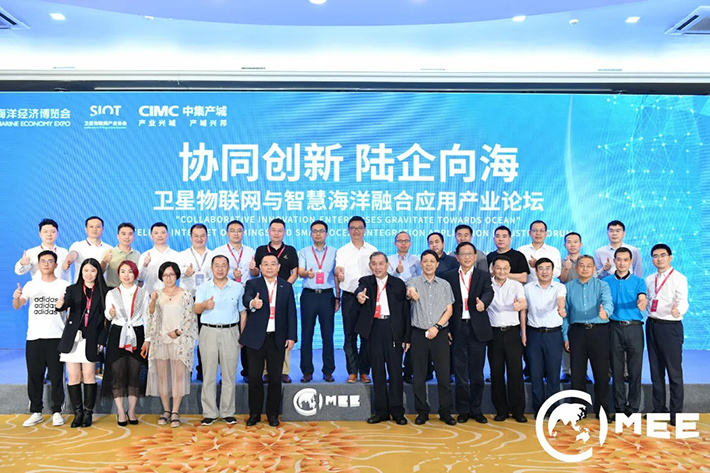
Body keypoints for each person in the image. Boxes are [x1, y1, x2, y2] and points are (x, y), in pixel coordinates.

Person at [12, 250, 70, 427]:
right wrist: (16, 298)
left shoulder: (64, 285)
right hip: (34, 337)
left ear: (56, 265)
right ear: (38, 265)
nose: (46, 264)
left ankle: (57, 411)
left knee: (57, 375)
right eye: (43, 261)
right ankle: (36, 411)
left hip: (56, 337)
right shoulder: (31, 285)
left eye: (50, 261)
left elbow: (70, 311)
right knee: (34, 375)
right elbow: (18, 305)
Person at [355, 252, 411, 425]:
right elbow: (359, 290)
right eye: (374, 264)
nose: (377, 267)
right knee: (377, 371)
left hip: (393, 329)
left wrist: (406, 337)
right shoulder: (366, 282)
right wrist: (359, 295)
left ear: (387, 265)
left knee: (395, 372)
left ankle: (397, 411)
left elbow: (405, 312)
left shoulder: (398, 284)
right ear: (370, 266)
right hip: (374, 329)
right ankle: (381, 411)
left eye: (381, 263)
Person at [242, 254, 297, 427]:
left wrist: (291, 336)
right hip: (256, 339)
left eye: (273, 264)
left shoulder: (286, 286)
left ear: (279, 267)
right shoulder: (253, 284)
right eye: (265, 264)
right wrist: (252, 303)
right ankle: (255, 414)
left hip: (277, 339)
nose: (269, 267)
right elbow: (246, 299)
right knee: (254, 377)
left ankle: (273, 414)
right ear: (260, 267)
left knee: (275, 378)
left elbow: (291, 313)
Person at [443, 242, 493, 424]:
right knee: (460, 373)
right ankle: (463, 409)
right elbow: (445, 303)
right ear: (457, 257)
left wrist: (483, 303)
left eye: (470, 254)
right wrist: (446, 328)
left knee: (477, 373)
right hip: (457, 328)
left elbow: (489, 292)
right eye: (463, 254)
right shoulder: (448, 276)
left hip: (477, 327)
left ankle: (476, 409)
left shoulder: (483, 275)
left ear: (475, 256)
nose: (466, 257)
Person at [56, 258, 109, 428]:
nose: (89, 274)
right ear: (81, 272)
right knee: (73, 377)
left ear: (98, 272)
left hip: (92, 339)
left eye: (93, 270)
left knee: (89, 376)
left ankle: (88, 413)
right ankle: (77, 413)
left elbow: (107, 320)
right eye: (86, 270)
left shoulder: (105, 291)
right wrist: (60, 305)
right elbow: (66, 304)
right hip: (73, 339)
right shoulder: (72, 289)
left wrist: (101, 341)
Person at [194, 255, 246, 426]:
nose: (220, 269)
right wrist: (205, 305)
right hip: (208, 331)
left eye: (223, 265)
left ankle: (227, 412)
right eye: (217, 265)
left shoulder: (238, 287)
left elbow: (243, 312)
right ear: (211, 268)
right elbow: (196, 309)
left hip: (231, 331)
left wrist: (242, 335)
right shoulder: (203, 287)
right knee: (209, 374)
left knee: (229, 375)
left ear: (228, 268)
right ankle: (209, 413)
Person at [407, 250, 456, 426]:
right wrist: (412, 293)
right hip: (418, 334)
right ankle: (422, 411)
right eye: (425, 261)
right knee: (419, 375)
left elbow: (449, 310)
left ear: (437, 264)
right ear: (421, 263)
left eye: (432, 261)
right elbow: (410, 291)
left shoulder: (444, 285)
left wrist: (437, 327)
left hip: (439, 334)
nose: (428, 264)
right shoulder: (413, 281)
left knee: (443, 375)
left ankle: (445, 411)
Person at [146, 262, 197, 428]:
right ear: (161, 277)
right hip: (161, 340)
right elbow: (150, 314)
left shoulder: (186, 294)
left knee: (178, 377)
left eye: (172, 274)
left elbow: (190, 318)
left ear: (177, 275)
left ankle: (175, 411)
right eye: (165, 275)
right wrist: (153, 300)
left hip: (179, 341)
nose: (168, 278)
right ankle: (166, 410)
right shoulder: (157, 294)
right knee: (163, 378)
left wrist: (179, 332)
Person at [563, 255, 613, 419]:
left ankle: (602, 410)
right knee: (577, 374)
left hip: (599, 332)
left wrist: (606, 312)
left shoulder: (602, 285)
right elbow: (565, 314)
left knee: (601, 372)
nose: (585, 269)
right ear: (576, 268)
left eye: (589, 266)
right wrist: (565, 336)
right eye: (582, 265)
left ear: (593, 269)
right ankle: (579, 410)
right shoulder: (568, 287)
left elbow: (608, 302)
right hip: (577, 332)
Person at [645, 243, 689, 426]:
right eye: (655, 256)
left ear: (670, 257)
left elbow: (683, 301)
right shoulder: (649, 279)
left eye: (663, 255)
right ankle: (659, 409)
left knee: (674, 372)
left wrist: (679, 310)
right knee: (656, 371)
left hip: (671, 327)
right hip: (652, 325)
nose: (659, 259)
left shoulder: (679, 278)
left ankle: (676, 412)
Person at [103, 260, 150, 426]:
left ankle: (131, 411)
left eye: (130, 271)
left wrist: (148, 340)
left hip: (137, 333)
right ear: (118, 274)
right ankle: (121, 412)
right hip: (117, 334)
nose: (126, 275)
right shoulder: (112, 293)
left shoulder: (143, 293)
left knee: (134, 375)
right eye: (123, 271)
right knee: (118, 374)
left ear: (135, 274)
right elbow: (107, 315)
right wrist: (110, 313)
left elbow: (148, 317)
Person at [252, 218, 298, 383]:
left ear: (284, 232)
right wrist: (252, 268)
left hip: (283, 295)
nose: (276, 233)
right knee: (265, 332)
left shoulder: (290, 250)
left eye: (280, 230)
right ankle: (266, 371)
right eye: (273, 230)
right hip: (265, 294)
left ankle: (284, 371)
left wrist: (284, 288)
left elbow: (295, 272)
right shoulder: (261, 250)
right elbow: (256, 272)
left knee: (283, 330)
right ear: (268, 231)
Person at [603, 247, 647, 417]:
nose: (622, 263)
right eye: (619, 260)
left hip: (634, 328)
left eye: (625, 260)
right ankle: (619, 407)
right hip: (613, 328)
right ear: (614, 261)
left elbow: (642, 297)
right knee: (616, 369)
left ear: (631, 262)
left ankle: (633, 407)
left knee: (635, 370)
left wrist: (642, 301)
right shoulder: (606, 281)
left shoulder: (639, 281)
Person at [335, 216, 377, 384]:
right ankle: (352, 371)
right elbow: (338, 268)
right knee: (349, 336)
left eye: (359, 228)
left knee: (367, 336)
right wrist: (339, 273)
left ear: (365, 230)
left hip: (368, 297)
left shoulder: (372, 250)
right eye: (353, 228)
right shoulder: (342, 251)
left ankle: (365, 371)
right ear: (348, 231)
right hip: (350, 297)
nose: (356, 231)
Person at [212, 219, 255, 382]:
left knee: (247, 333)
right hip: (226, 294)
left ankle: (248, 371)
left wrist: (254, 270)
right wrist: (231, 275)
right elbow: (213, 273)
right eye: (232, 230)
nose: (236, 234)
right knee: (227, 334)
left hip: (246, 294)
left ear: (243, 233)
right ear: (227, 233)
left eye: (239, 230)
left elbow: (256, 274)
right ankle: (224, 374)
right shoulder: (219, 251)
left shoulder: (250, 251)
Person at [523, 258, 566, 415]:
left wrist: (561, 308)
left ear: (553, 271)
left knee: (553, 375)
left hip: (553, 335)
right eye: (541, 268)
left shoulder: (560, 287)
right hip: (534, 334)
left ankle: (553, 409)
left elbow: (560, 299)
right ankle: (539, 409)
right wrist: (523, 333)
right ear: (536, 271)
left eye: (548, 268)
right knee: (535, 374)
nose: (544, 271)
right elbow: (524, 311)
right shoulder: (528, 288)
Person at [486, 255, 527, 423]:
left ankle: (518, 411)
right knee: (496, 373)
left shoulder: (516, 285)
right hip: (493, 334)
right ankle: (501, 410)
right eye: (498, 268)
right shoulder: (486, 285)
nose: (502, 271)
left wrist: (520, 305)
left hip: (512, 333)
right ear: (492, 269)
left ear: (509, 270)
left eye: (505, 268)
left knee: (515, 372)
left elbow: (523, 303)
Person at [297, 220, 339, 383]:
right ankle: (307, 371)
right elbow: (300, 271)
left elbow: (336, 276)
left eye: (321, 231)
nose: (318, 234)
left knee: (327, 334)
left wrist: (337, 297)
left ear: (327, 234)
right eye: (315, 231)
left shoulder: (334, 252)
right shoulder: (304, 252)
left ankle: (328, 371)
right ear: (310, 234)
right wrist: (306, 273)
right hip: (309, 295)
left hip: (327, 295)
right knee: (306, 334)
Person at [178, 223, 212, 382]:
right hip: (187, 300)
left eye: (202, 235)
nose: (199, 239)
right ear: (191, 237)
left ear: (207, 237)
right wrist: (185, 272)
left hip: (207, 300)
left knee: (206, 338)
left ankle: (203, 370)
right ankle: (187, 370)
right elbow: (174, 273)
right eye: (196, 236)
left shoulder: (213, 255)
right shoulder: (182, 255)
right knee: (187, 337)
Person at [15, 218, 71, 283]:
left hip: (60, 288)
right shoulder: (32, 252)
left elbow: (67, 274)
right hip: (39, 288)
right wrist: (22, 263)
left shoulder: (64, 252)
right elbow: (19, 272)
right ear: (40, 234)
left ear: (57, 233)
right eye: (45, 232)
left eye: (53, 232)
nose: (49, 234)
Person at [559, 231, 583, 383]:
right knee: (566, 335)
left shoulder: (586, 261)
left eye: (575, 242)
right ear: (564, 245)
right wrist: (566, 268)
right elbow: (561, 279)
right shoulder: (561, 262)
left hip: (584, 303)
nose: (572, 245)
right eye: (569, 242)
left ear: (580, 244)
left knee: (582, 338)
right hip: (567, 303)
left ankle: (582, 371)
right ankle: (566, 371)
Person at [64, 216, 113, 282]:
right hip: (82, 286)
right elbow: (73, 254)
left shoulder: (109, 248)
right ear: (86, 229)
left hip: (101, 286)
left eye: (98, 227)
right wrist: (68, 261)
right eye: (91, 227)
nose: (94, 229)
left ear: (103, 229)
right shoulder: (78, 245)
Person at [137, 222, 179, 294]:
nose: (159, 235)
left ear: (167, 235)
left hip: (171, 296)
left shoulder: (176, 255)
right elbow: (140, 278)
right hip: (149, 295)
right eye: (156, 233)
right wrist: (145, 265)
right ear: (151, 236)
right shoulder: (145, 255)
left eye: (163, 233)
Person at [518, 220, 561, 285]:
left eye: (541, 231)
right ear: (529, 233)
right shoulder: (521, 250)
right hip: (525, 288)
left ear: (546, 233)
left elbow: (557, 273)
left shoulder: (553, 251)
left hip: (548, 288)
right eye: (535, 230)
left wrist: (538, 265)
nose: (538, 233)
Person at [102, 223, 140, 289]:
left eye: (130, 234)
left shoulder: (137, 254)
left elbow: (140, 278)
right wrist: (104, 261)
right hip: (113, 289)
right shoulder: (109, 253)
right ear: (118, 236)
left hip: (132, 290)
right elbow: (100, 272)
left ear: (134, 236)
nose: (127, 237)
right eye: (123, 234)